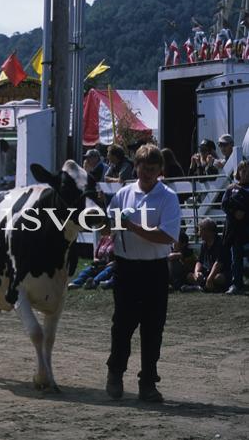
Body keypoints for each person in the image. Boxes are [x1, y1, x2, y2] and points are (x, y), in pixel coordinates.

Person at [104, 144, 181, 403]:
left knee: (152, 329)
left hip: (154, 270)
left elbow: (167, 235)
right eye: (142, 168)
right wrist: (107, 223)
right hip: (125, 268)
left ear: (160, 170)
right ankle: (115, 374)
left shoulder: (168, 197)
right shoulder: (123, 194)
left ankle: (148, 383)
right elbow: (108, 227)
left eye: (152, 169)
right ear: (135, 167)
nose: (146, 173)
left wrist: (132, 227)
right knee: (122, 326)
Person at [221, 160, 249, 295]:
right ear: (238, 172)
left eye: (248, 170)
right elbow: (224, 205)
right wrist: (234, 212)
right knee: (235, 257)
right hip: (235, 230)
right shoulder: (231, 188)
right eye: (243, 170)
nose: (246, 173)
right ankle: (236, 283)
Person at [185, 218, 230, 293]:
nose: (199, 233)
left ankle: (202, 287)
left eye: (200, 230)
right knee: (190, 276)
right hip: (207, 272)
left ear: (208, 231)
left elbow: (218, 263)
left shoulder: (221, 244)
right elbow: (199, 261)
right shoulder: (204, 244)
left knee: (219, 278)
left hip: (220, 272)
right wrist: (197, 272)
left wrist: (210, 278)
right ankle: (208, 287)